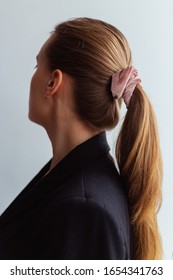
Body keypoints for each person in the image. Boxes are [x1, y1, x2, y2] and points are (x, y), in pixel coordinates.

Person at [0, 17, 162, 260]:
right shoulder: (67, 179)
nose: (33, 77)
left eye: (37, 67)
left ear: (53, 82)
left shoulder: (84, 209)